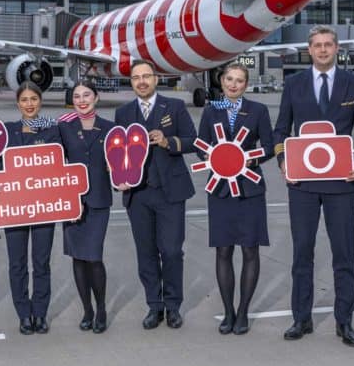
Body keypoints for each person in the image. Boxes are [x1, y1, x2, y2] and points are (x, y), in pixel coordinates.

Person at [273, 25, 354, 347]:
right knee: (302, 252)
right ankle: (301, 318)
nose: (323, 50)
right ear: (309, 50)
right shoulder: (293, 83)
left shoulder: (353, 84)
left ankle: (344, 320)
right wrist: (283, 161)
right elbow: (280, 130)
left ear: (337, 48)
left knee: (344, 254)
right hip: (302, 183)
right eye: (317, 45)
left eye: (328, 44)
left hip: (341, 184)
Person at [114, 60, 196, 330]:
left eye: (146, 76)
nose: (141, 81)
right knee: (146, 252)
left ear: (156, 79)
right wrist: (118, 176)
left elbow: (192, 140)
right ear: (131, 82)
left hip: (169, 192)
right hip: (138, 195)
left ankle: (173, 306)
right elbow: (117, 153)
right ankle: (154, 305)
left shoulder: (174, 106)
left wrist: (167, 141)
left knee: (171, 251)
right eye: (136, 77)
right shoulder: (123, 113)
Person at [197, 63, 275, 335]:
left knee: (250, 249)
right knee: (223, 250)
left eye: (239, 80)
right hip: (220, 189)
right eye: (229, 79)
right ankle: (228, 311)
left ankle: (243, 311)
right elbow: (201, 144)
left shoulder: (258, 110)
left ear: (246, 84)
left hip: (249, 189)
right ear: (222, 81)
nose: (233, 84)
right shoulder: (211, 110)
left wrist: (248, 160)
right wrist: (213, 158)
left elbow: (269, 146)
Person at [0, 82, 60, 335]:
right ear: (18, 103)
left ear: (40, 101)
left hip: (44, 206)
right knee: (17, 263)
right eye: (24, 100)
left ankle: (40, 313)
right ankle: (23, 314)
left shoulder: (53, 130)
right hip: (15, 208)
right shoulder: (8, 131)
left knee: (41, 262)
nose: (29, 104)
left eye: (34, 99)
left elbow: (61, 164)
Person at [58, 81, 114, 333]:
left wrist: (119, 173)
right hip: (72, 201)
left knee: (94, 257)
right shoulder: (64, 127)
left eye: (86, 95)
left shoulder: (110, 129)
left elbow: (123, 161)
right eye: (77, 96)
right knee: (78, 258)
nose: (82, 100)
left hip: (99, 200)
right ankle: (87, 310)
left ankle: (101, 309)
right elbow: (54, 159)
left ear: (96, 97)